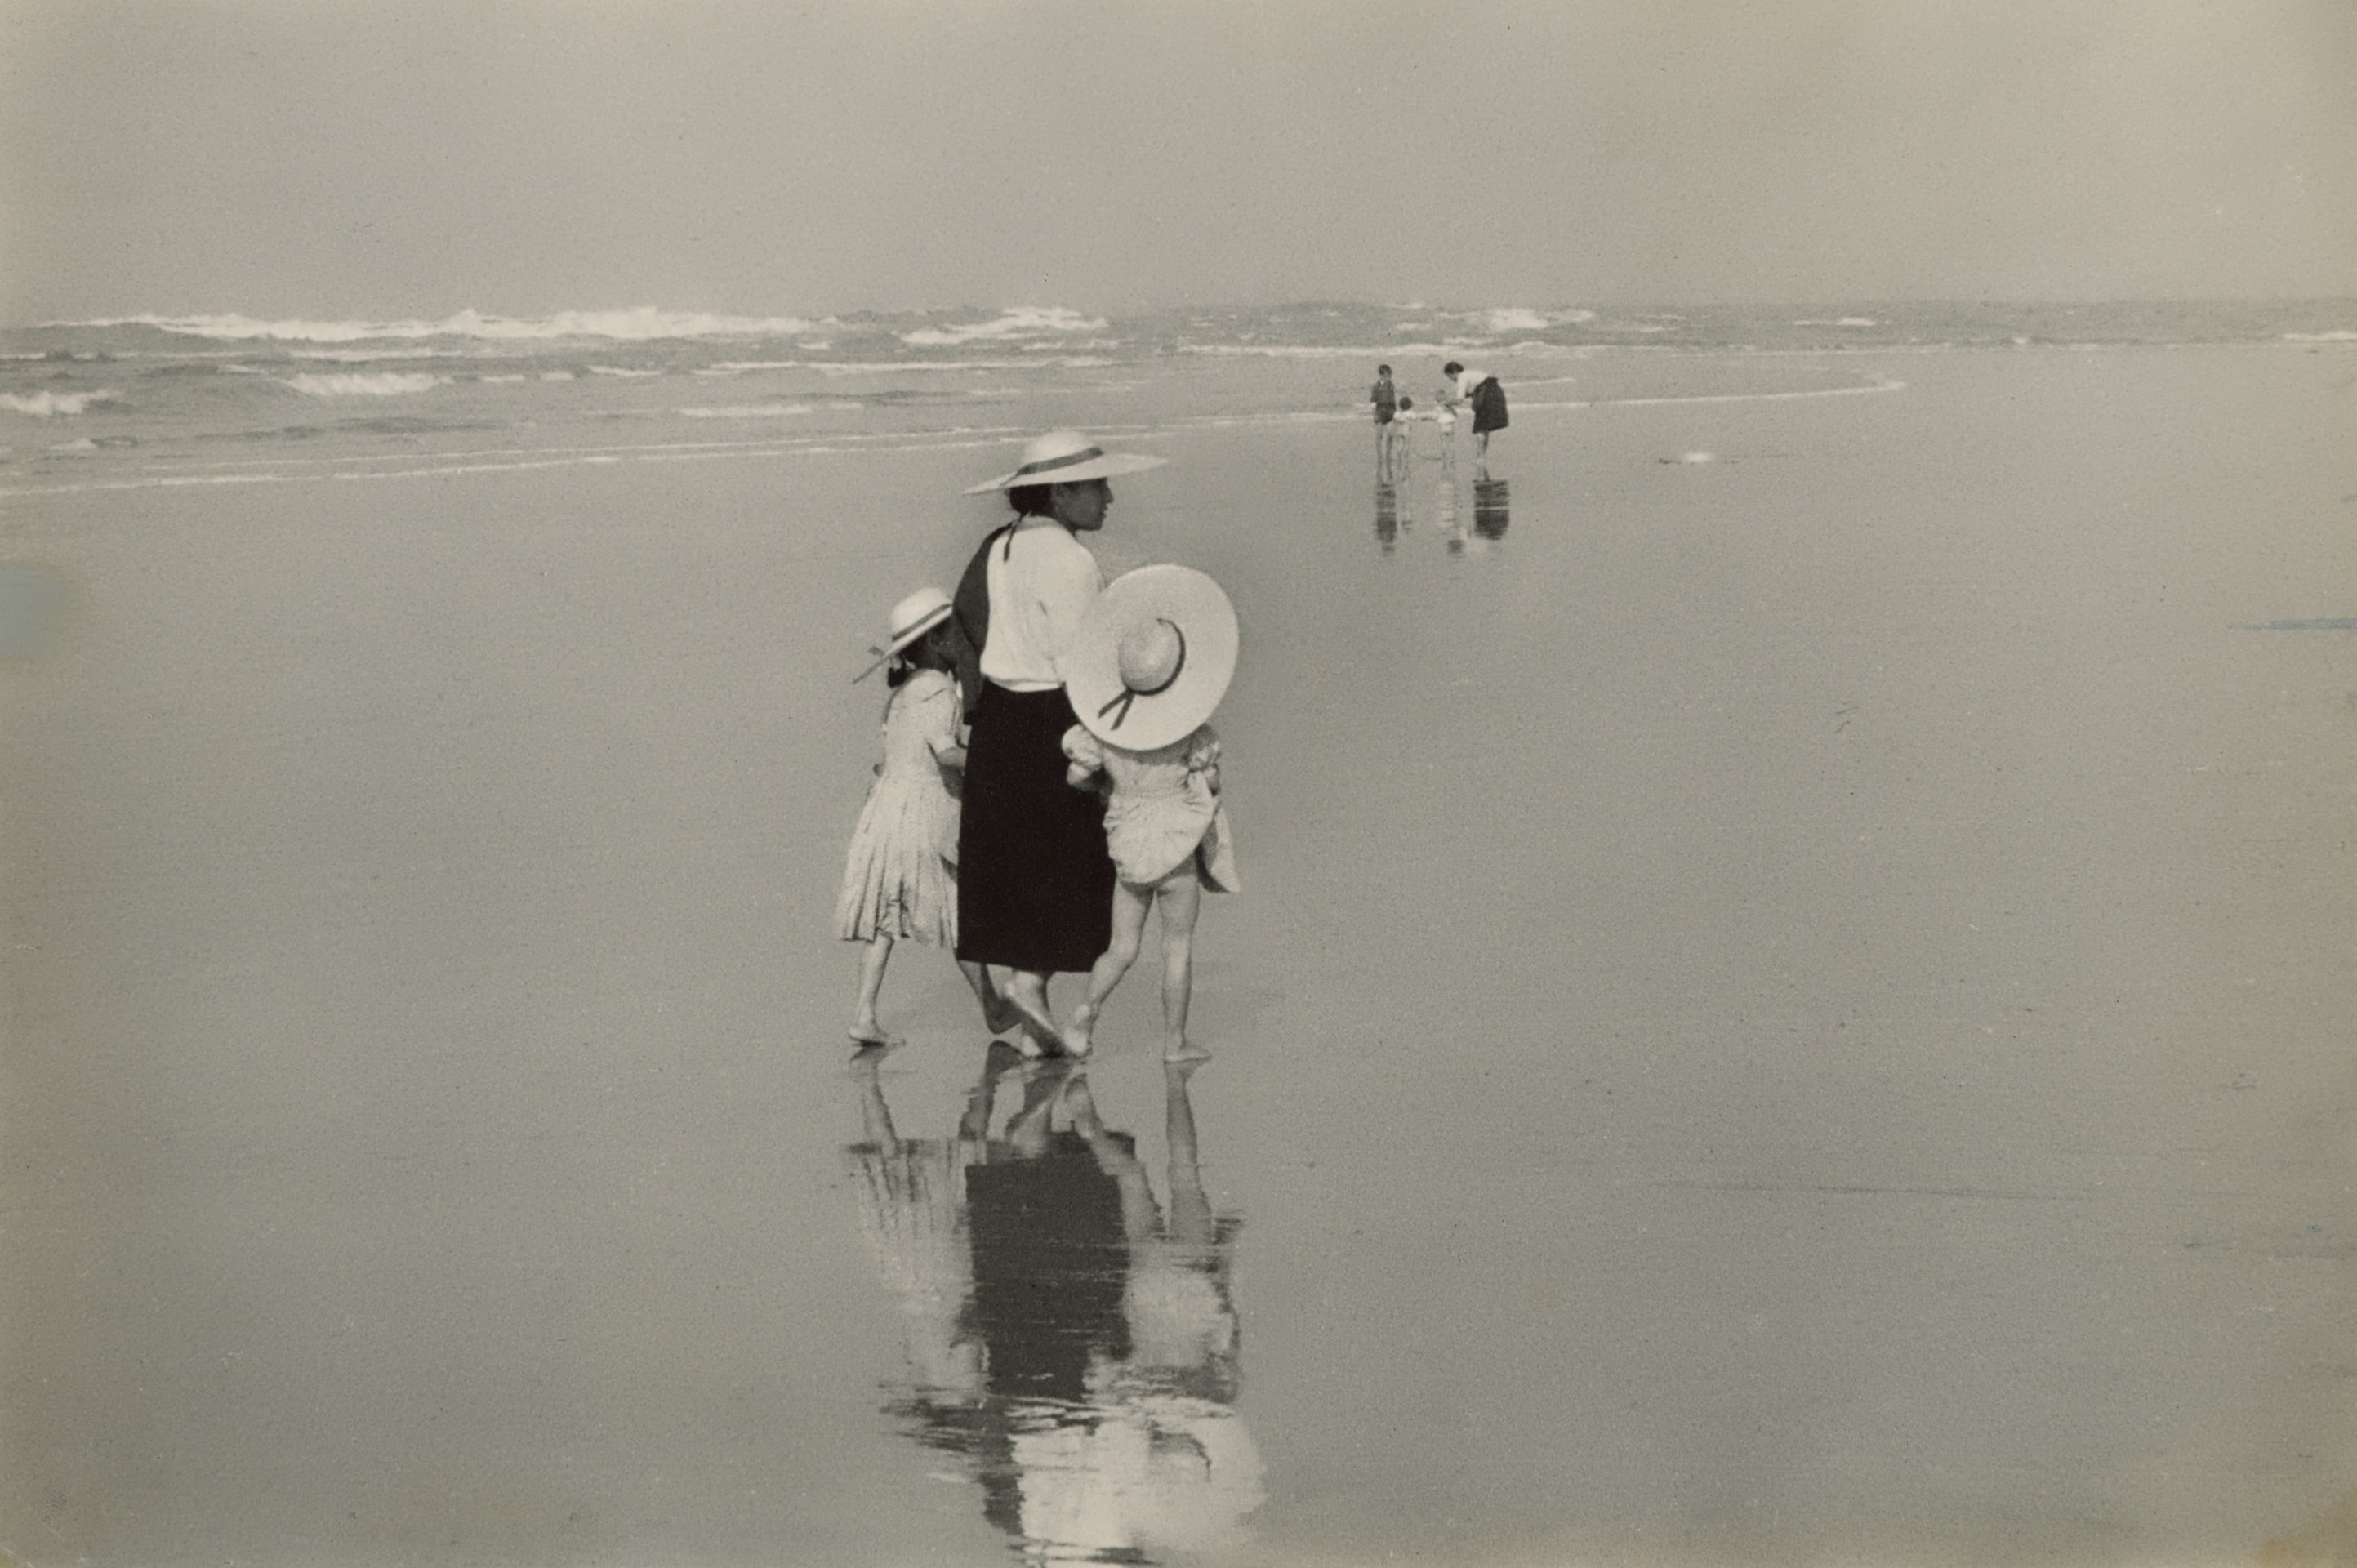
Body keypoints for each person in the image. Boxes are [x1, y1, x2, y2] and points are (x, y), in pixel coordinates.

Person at [953, 430, 1168, 1054]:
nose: (1109, 497)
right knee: (1069, 858)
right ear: (1060, 491)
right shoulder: (1072, 560)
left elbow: (971, 622)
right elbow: (1087, 658)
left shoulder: (1003, 546)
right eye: (1097, 486)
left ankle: (1029, 997)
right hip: (1053, 713)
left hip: (999, 717)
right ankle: (1029, 984)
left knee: (1019, 863)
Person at [1054, 566, 1240, 1060]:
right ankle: (1174, 1043)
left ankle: (1082, 1018)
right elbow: (1212, 779)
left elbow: (1076, 777)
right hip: (1175, 849)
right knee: (1176, 947)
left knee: (1122, 948)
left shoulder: (1104, 733)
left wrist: (1103, 782)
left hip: (1130, 846)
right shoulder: (1191, 733)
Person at [838, 587, 1012, 1047]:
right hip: (924, 812)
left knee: (886, 917)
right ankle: (993, 1007)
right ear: (937, 643)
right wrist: (998, 761)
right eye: (955, 635)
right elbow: (947, 753)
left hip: (885, 810)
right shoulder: (939, 690)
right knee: (960, 914)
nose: (964, 643)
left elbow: (891, 757)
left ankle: (864, 1013)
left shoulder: (901, 696)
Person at [1440, 359, 1508, 459]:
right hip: (1496, 392)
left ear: (1454, 372)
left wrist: (1446, 403)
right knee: (1485, 428)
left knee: (1480, 427)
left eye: (1450, 377)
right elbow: (1472, 391)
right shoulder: (1470, 374)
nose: (1451, 380)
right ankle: (1481, 456)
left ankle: (1480, 457)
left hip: (1486, 395)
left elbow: (1459, 400)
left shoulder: (1462, 377)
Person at [1369, 363, 1397, 466]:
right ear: (1381, 375)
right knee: (1379, 435)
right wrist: (1374, 414)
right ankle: (1380, 455)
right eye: (1386, 375)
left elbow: (1393, 400)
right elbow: (1373, 401)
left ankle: (1388, 454)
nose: (1388, 377)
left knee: (1390, 435)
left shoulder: (1391, 385)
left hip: (1390, 412)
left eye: (1389, 375)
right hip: (1380, 412)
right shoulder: (1376, 387)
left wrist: (1395, 413)